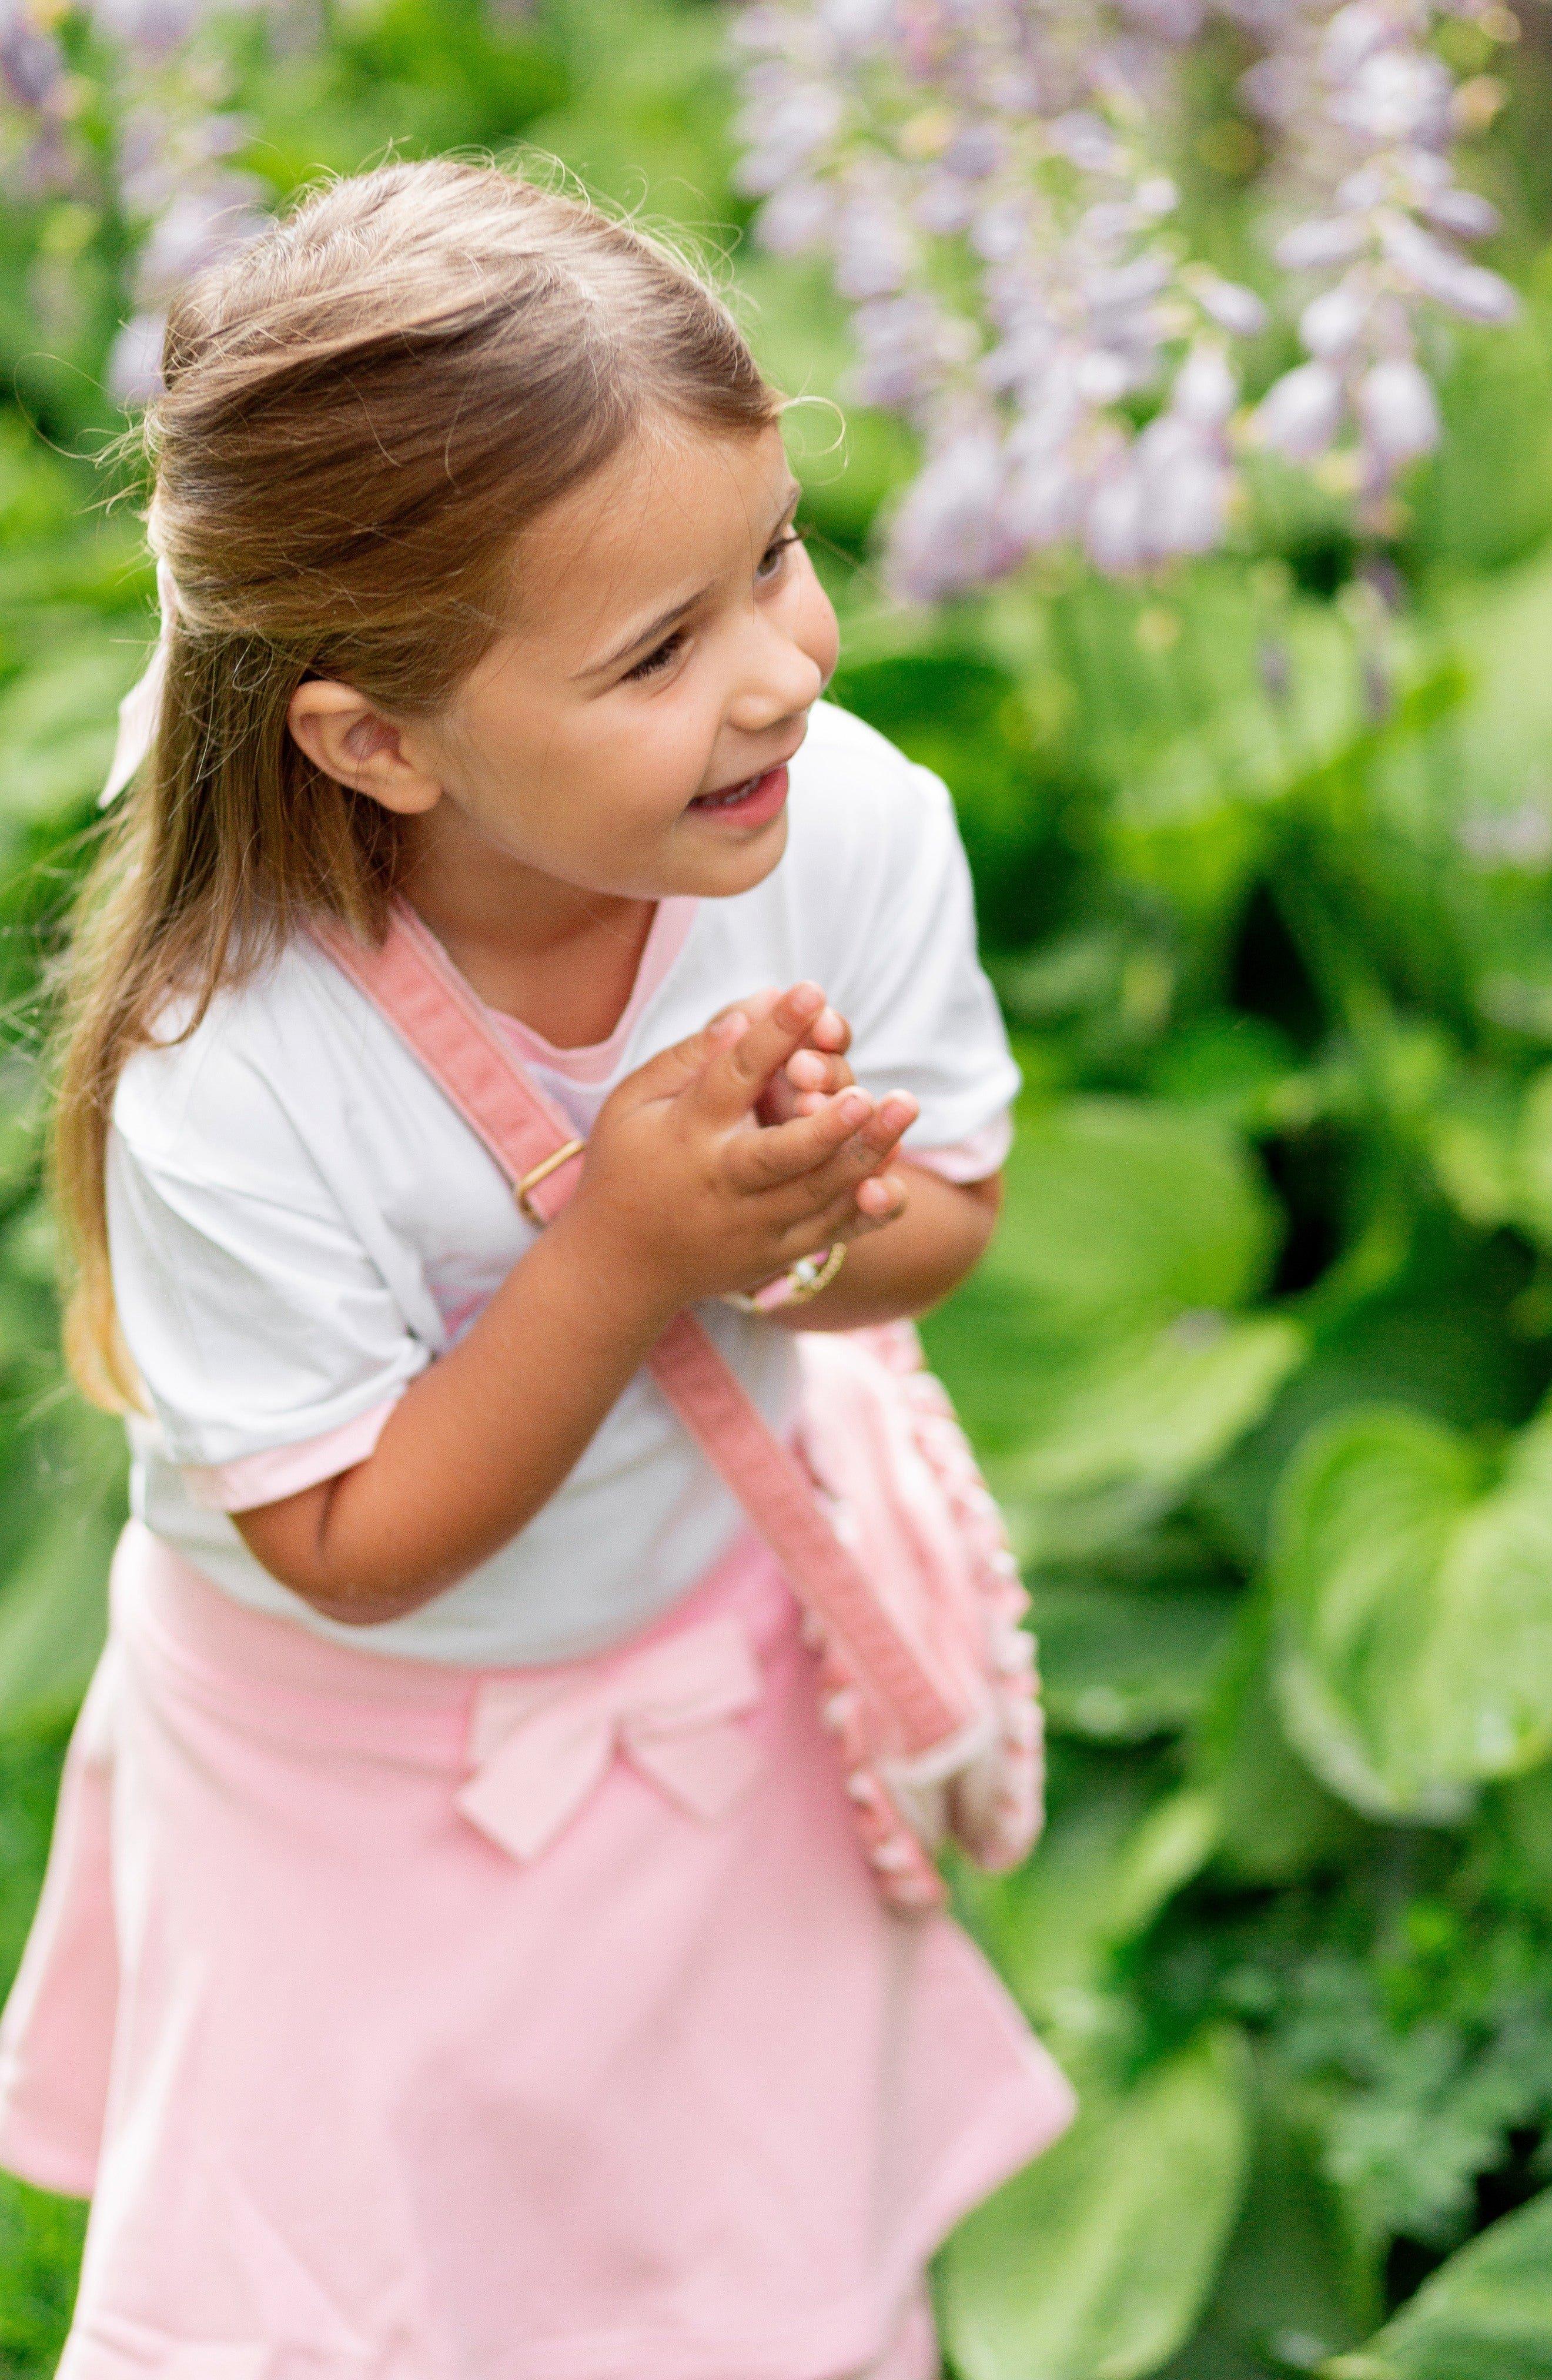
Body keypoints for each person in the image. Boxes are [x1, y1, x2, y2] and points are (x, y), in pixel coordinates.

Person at [0, 160, 1073, 2379]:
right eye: (660, 651)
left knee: (754, 2283)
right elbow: (346, 1540)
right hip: (357, 1788)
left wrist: (800, 1227)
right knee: (363, 2310)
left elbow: (948, 1209)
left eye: (771, 556)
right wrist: (629, 1253)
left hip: (702, 1688)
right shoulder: (238, 1052)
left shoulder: (849, 828)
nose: (781, 670)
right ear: (375, 741)